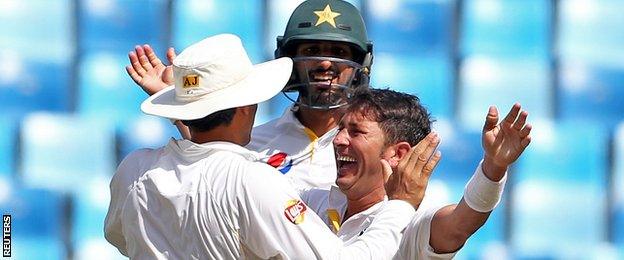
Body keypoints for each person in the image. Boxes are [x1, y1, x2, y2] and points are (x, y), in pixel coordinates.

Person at [105, 34, 441, 259]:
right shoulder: (252, 180)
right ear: (245, 107)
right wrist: (401, 205)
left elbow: (118, 236)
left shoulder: (134, 168)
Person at [126, 0, 373, 190]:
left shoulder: (376, 145)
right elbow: (208, 155)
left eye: (339, 51)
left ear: (361, 63)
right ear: (289, 60)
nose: (325, 64)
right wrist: (182, 103)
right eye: (311, 50)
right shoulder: (251, 141)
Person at [299, 88, 532, 259]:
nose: (338, 140)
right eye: (340, 129)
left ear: (398, 154)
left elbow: (463, 221)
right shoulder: (310, 203)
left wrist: (494, 166)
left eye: (356, 132)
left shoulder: (411, 225)